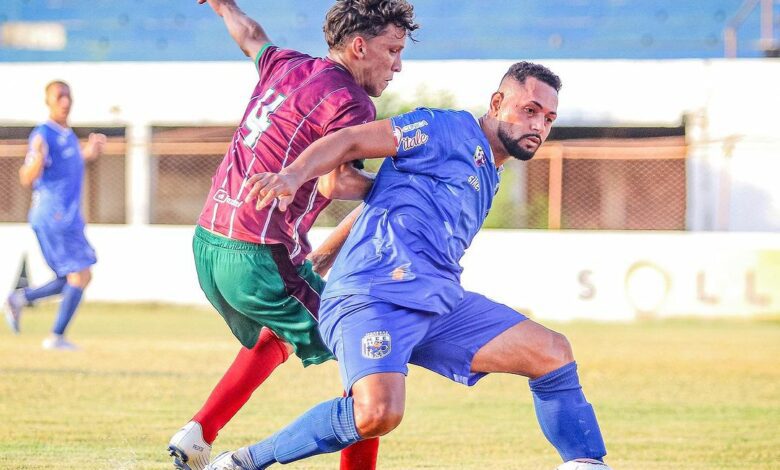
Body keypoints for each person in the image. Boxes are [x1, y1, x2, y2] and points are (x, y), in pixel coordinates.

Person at [205, 62, 611, 470]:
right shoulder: (445, 128)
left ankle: (585, 464)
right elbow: (347, 142)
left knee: (553, 352)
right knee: (377, 414)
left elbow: (383, 197)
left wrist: (331, 241)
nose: (539, 125)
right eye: (530, 110)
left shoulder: (490, 170)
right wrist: (294, 175)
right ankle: (244, 462)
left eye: (549, 118)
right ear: (497, 102)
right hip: (374, 296)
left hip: (438, 302)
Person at [166, 1, 419, 469]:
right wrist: (411, 190)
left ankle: (199, 432)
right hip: (258, 254)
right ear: (360, 46)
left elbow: (249, 35)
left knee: (279, 334)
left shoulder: (287, 64)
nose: (398, 65)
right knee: (367, 357)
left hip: (209, 242)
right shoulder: (351, 102)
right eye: (393, 50)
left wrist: (223, 5)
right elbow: (337, 182)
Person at [4, 80, 106, 351]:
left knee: (74, 276)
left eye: (68, 95)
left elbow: (66, 165)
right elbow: (26, 177)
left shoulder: (66, 133)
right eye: (59, 96)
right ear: (47, 101)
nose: (65, 101)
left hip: (66, 217)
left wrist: (89, 153)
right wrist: (36, 161)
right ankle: (56, 337)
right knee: (79, 276)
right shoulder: (43, 134)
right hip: (55, 215)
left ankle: (21, 299)